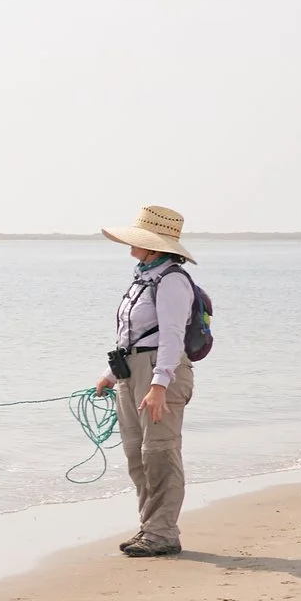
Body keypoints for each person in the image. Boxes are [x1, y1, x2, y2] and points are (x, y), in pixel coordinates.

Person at [94, 205, 198, 556]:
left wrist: (158, 386)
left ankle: (162, 532)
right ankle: (151, 528)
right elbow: (133, 334)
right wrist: (110, 375)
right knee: (136, 455)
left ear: (155, 247)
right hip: (132, 372)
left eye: (137, 241)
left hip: (160, 373)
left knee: (160, 453)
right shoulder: (144, 278)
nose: (130, 247)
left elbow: (171, 337)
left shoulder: (172, 281)